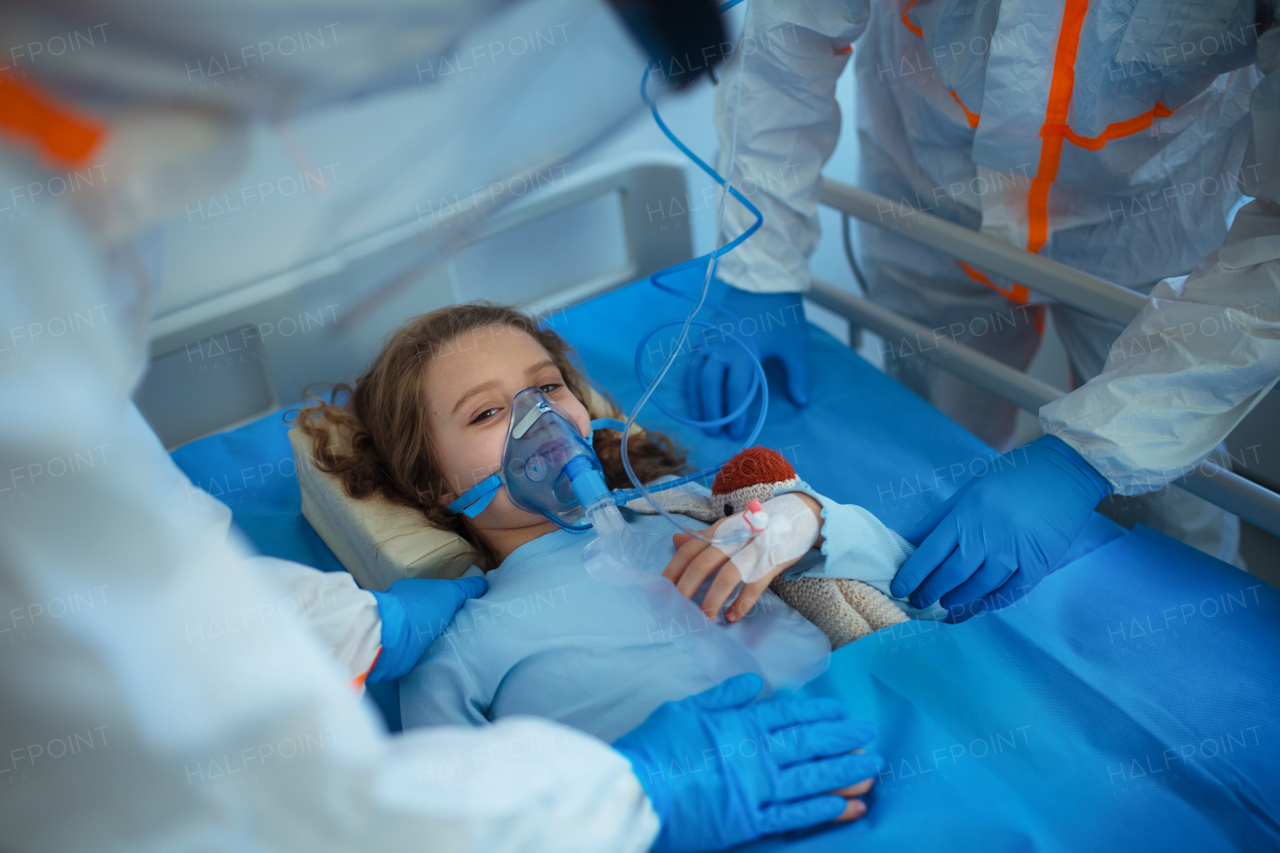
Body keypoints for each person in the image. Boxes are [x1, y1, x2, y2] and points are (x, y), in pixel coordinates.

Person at [0, 2, 884, 851]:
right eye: (489, 412)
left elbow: (881, 574)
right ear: (431, 483)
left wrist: (797, 524)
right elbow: (387, 808)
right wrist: (640, 790)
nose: (541, 420)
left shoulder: (695, 511)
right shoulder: (461, 645)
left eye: (547, 386)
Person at [687, 0, 1279, 613]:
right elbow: (791, 36)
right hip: (932, 189)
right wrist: (760, 265)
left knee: (1173, 501)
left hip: (1155, 224)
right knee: (927, 444)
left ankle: (1196, 631)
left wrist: (1089, 460)